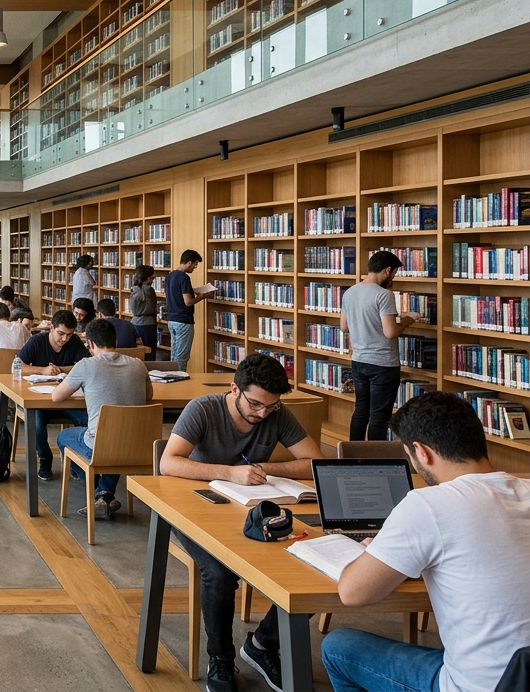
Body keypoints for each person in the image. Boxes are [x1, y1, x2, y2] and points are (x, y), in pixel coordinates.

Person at [321, 391, 530, 692]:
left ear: (421, 452)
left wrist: (377, 554)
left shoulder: (429, 505)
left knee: (339, 646)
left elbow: (354, 594)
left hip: (483, 686)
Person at [158, 354, 325, 692]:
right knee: (219, 573)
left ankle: (262, 645)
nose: (262, 413)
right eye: (255, 404)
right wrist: (228, 472)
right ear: (234, 389)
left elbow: (315, 463)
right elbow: (168, 462)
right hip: (197, 507)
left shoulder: (276, 414)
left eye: (270, 407)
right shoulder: (203, 409)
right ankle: (220, 657)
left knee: (314, 566)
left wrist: (268, 468)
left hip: (254, 511)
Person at [49, 319, 151, 517]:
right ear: (117, 342)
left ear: (91, 344)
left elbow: (56, 396)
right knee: (115, 440)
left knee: (64, 438)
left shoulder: (86, 365)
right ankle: (104, 495)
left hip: (103, 444)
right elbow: (148, 397)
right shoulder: (139, 365)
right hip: (137, 444)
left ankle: (99, 493)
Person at [341, 250, 421, 441]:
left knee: (361, 411)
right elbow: (390, 332)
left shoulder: (350, 292)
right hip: (383, 364)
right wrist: (409, 320)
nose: (393, 278)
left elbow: (344, 326)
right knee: (379, 417)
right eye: (393, 273)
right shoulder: (384, 295)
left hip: (359, 361)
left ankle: (353, 457)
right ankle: (375, 461)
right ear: (387, 270)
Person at [18, 312, 93, 477]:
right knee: (36, 425)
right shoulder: (37, 341)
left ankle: (77, 461)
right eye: (61, 333)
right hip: (38, 399)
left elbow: (87, 365)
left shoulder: (73, 342)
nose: (65, 339)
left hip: (67, 398)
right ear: (51, 327)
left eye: (69, 334)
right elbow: (18, 366)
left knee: (88, 419)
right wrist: (43, 370)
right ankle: (45, 458)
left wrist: (61, 369)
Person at [165, 250, 209, 373]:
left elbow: (176, 294)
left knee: (174, 355)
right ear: (189, 262)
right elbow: (188, 302)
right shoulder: (184, 278)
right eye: (195, 264)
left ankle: (172, 377)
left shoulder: (170, 276)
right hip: (183, 321)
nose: (195, 267)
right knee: (182, 357)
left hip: (171, 320)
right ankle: (179, 381)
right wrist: (203, 296)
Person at [129, 264, 160, 358]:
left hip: (135, 322)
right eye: (152, 278)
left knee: (138, 351)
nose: (152, 280)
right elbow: (152, 306)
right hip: (148, 324)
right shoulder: (149, 290)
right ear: (148, 278)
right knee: (149, 352)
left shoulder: (134, 290)